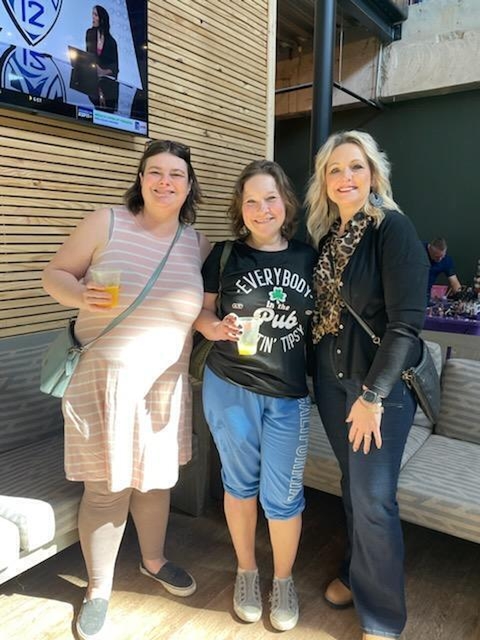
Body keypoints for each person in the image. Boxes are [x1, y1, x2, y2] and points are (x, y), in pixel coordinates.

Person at [42, 139, 210, 640]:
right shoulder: (107, 222)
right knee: (106, 487)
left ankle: (153, 561)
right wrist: (79, 292)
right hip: (105, 384)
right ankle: (98, 588)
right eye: (154, 172)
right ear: (140, 179)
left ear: (189, 186)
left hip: (164, 386)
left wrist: (215, 326)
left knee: (156, 482)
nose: (164, 182)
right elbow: (54, 274)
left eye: (175, 174)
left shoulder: (196, 244)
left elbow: (195, 311)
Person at [305, 130, 429, 640]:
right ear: (324, 181)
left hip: (376, 390)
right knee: (352, 487)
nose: (345, 177)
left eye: (355, 166)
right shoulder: (328, 239)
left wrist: (373, 396)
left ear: (373, 173)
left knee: (374, 498)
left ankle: (382, 620)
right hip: (332, 384)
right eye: (334, 169)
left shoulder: (391, 229)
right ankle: (357, 574)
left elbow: (405, 324)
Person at [194, 159, 317, 632]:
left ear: (285, 202)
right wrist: (214, 328)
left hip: (288, 394)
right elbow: (201, 315)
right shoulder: (224, 256)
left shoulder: (308, 258)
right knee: (239, 486)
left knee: (283, 497)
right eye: (251, 201)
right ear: (239, 208)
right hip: (230, 387)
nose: (262, 209)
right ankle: (247, 571)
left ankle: (282, 580)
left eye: (270, 198)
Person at [86, 5, 119, 111]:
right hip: (91, 81)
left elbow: (115, 68)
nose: (93, 17)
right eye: (92, 14)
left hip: (107, 86)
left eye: (95, 15)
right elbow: (89, 56)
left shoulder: (112, 42)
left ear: (102, 19)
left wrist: (103, 71)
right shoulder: (90, 33)